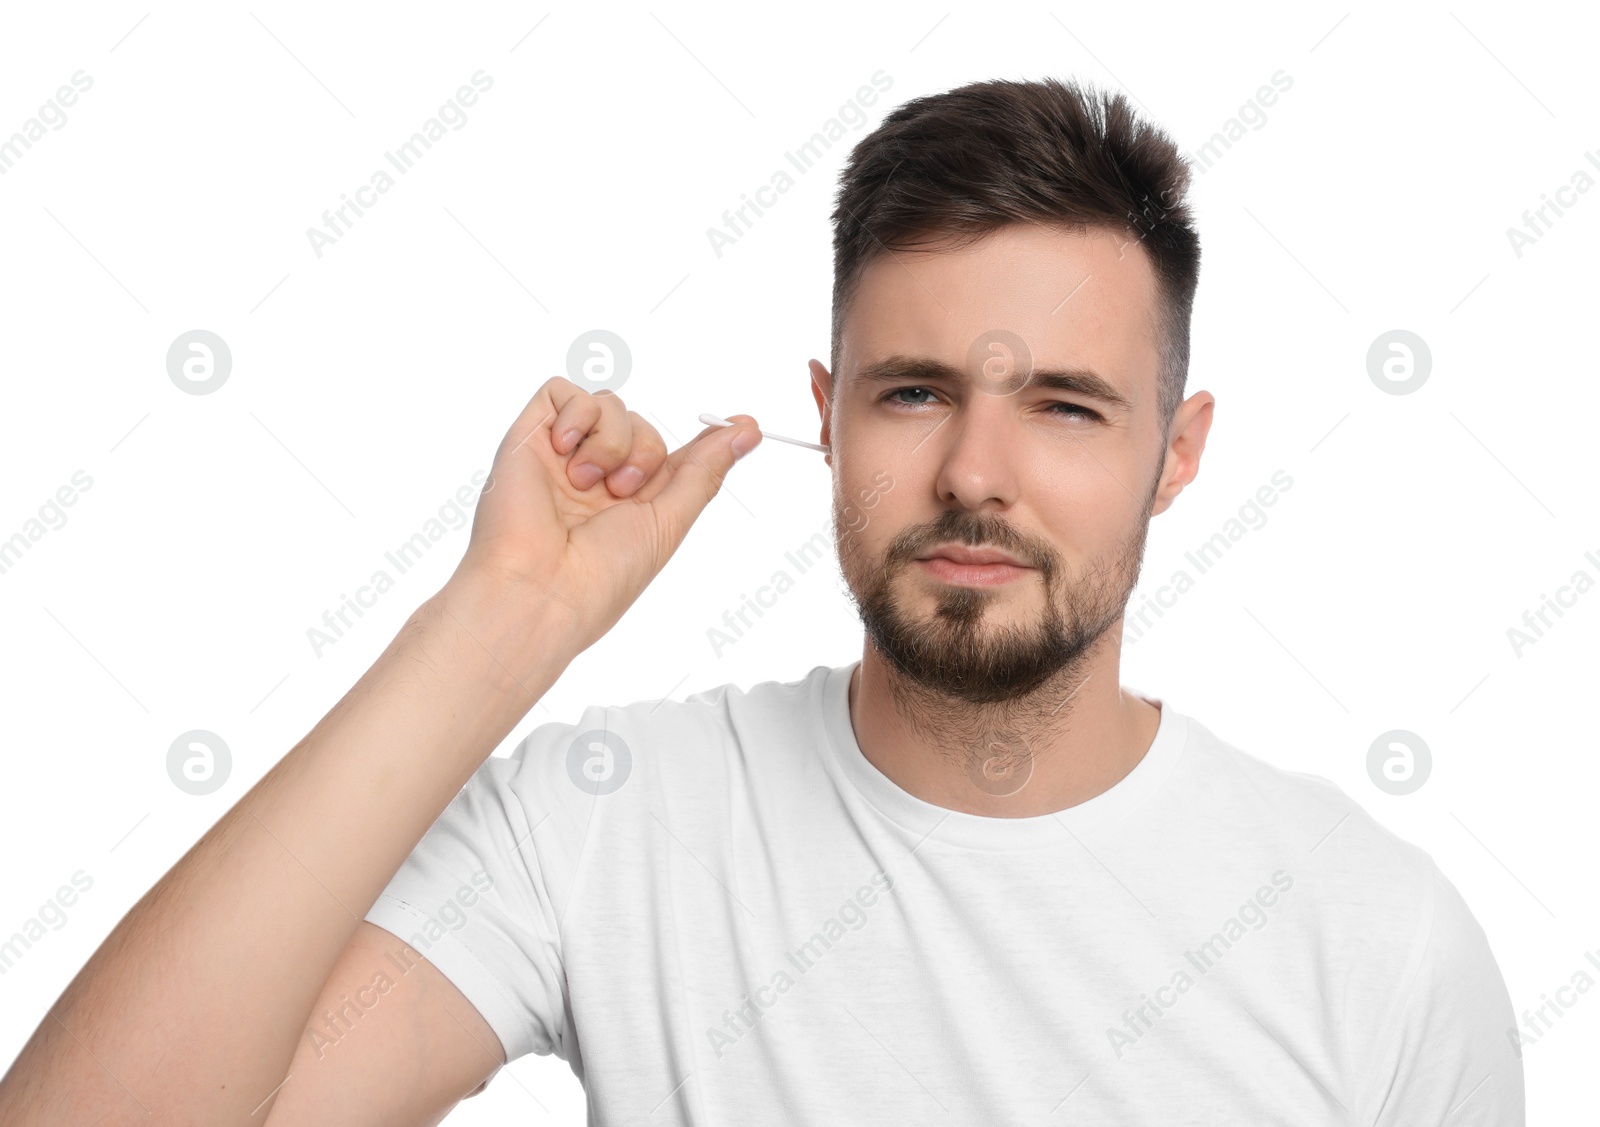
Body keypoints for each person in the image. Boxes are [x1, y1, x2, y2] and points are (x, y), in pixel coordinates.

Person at [0, 76, 1522, 1125]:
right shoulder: (613, 819)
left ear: (1178, 455)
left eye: (1065, 406)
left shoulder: (1374, 941)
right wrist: (501, 623)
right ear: (829, 411)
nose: (976, 474)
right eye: (916, 391)